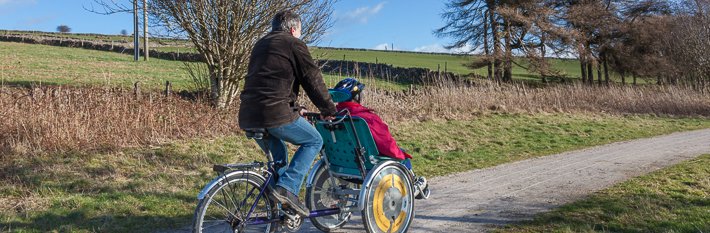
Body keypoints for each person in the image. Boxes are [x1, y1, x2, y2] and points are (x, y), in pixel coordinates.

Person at [238, 10, 336, 216]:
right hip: (273, 114)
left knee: (279, 156)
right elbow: (312, 78)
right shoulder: (293, 43)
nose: (300, 35)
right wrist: (328, 109)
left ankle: (280, 210)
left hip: (248, 114)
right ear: (293, 29)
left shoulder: (261, 44)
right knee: (314, 141)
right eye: (300, 31)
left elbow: (271, 82)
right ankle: (288, 188)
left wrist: (295, 107)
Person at [332, 78, 428, 199]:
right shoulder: (366, 118)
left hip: (338, 162)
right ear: (356, 97)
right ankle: (413, 185)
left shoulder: (331, 117)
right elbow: (386, 144)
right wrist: (401, 155)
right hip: (365, 163)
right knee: (401, 155)